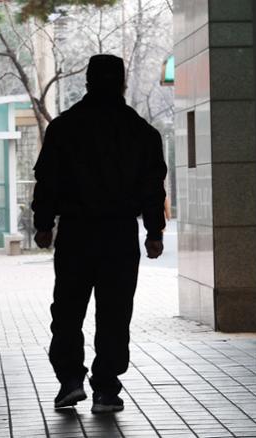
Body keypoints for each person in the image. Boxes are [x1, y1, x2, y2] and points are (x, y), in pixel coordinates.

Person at [32, 54, 167, 413]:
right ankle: (106, 389)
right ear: (122, 83)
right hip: (120, 234)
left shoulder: (64, 127)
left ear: (88, 82)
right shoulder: (141, 132)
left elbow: (47, 179)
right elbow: (153, 187)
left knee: (68, 311)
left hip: (76, 232)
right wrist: (154, 231)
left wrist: (44, 223)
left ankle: (70, 381)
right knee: (114, 314)